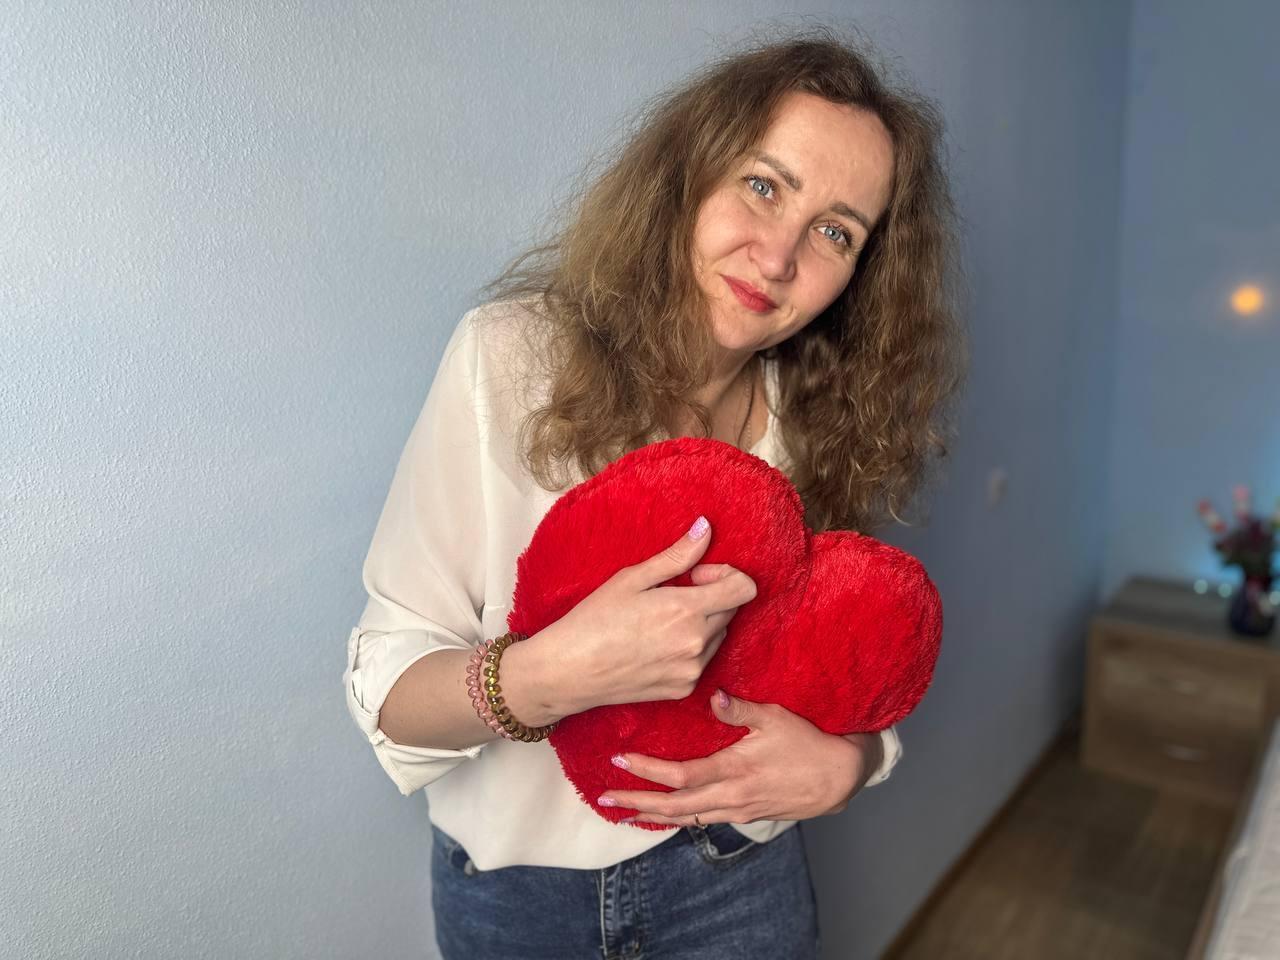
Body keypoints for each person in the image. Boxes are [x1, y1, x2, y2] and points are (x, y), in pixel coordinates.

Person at [344, 28, 965, 959]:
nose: (778, 255)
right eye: (764, 186)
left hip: (742, 879)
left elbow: (848, 652)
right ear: (689, 173)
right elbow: (386, 693)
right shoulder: (507, 361)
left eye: (835, 232)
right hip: (521, 902)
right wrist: (546, 675)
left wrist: (857, 760)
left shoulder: (820, 419)